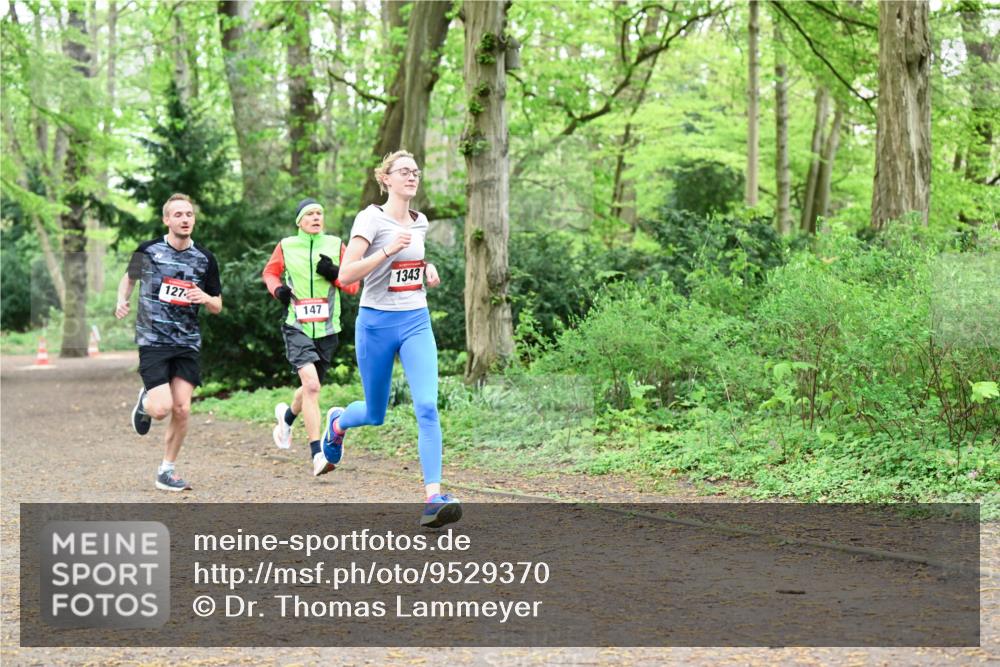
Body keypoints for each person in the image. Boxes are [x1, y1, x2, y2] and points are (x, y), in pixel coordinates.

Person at [319, 150, 461, 528]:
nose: (412, 176)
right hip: (376, 323)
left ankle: (433, 497)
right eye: (404, 171)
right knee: (375, 413)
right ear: (386, 179)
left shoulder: (421, 221)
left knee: (428, 406)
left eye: (415, 172)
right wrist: (386, 250)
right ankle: (337, 424)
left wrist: (426, 266)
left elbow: (411, 264)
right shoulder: (370, 218)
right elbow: (347, 275)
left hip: (416, 320)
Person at [115, 193, 223, 492]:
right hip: (153, 339)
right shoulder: (148, 250)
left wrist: (206, 298)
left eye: (189, 214)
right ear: (167, 220)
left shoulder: (205, 259)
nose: (185, 219)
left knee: (183, 409)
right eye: (178, 215)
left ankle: (167, 469)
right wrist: (121, 299)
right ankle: (145, 403)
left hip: (187, 341)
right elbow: (128, 277)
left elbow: (218, 304)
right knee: (161, 409)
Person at [261, 198, 359, 476]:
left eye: (319, 213)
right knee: (313, 387)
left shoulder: (336, 245)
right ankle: (317, 455)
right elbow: (269, 273)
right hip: (297, 326)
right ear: (299, 222)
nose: (316, 217)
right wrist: (277, 289)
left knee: (308, 389)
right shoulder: (287, 245)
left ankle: (286, 418)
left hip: (328, 329)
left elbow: (353, 286)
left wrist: (335, 274)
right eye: (310, 214)